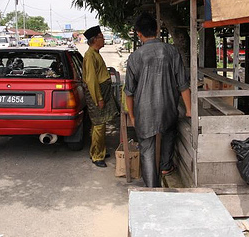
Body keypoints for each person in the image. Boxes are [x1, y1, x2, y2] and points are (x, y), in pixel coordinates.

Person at [124, 12, 192, 187]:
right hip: (168, 108)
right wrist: (190, 109)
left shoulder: (135, 57)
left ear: (139, 33)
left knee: (147, 149)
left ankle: (151, 187)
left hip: (144, 111)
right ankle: (165, 166)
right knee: (169, 131)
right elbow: (183, 84)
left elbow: (129, 92)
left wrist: (132, 116)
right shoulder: (171, 51)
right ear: (157, 30)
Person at [82, 25, 118, 167]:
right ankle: (97, 156)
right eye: (102, 37)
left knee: (100, 124)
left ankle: (98, 151)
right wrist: (99, 99)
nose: (103, 39)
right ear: (95, 39)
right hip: (97, 95)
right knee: (99, 125)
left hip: (102, 92)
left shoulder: (95, 53)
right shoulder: (90, 55)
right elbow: (91, 80)